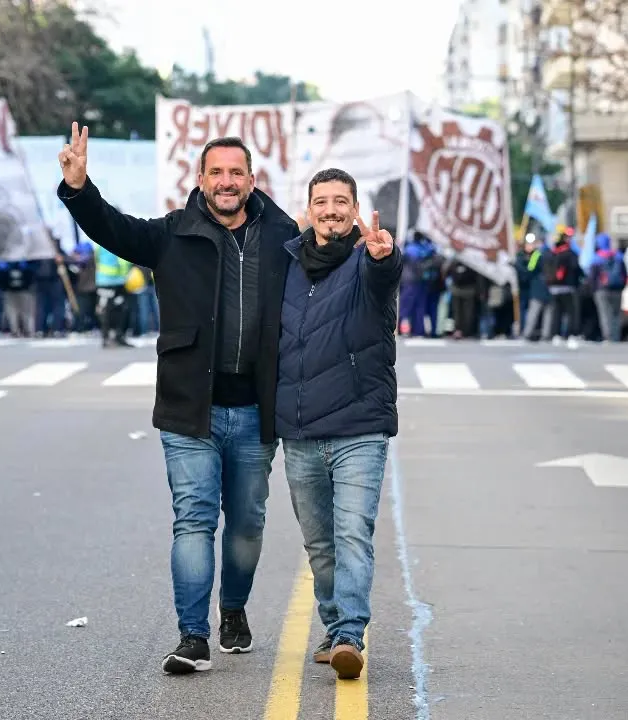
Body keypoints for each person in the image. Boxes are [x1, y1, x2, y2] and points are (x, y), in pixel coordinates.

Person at [57, 124, 299, 674]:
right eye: (216, 172)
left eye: (236, 172)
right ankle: (193, 636)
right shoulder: (172, 234)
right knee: (193, 520)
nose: (226, 181)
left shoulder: (283, 236)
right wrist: (78, 187)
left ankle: (232, 608)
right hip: (190, 407)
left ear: (252, 179)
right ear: (201, 179)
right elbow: (111, 228)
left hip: (258, 409)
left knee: (245, 526)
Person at [275, 168, 402, 680]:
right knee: (320, 543)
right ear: (308, 210)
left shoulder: (365, 258)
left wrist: (383, 256)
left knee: (352, 534)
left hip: (359, 428)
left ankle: (350, 632)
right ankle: (334, 628)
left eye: (340, 202)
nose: (331, 209)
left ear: (354, 209)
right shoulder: (285, 265)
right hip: (300, 429)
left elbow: (386, 273)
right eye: (321, 201)